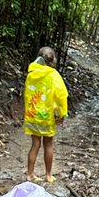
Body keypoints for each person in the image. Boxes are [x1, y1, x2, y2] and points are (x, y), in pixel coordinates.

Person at [23, 46, 68, 183]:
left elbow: (27, 94)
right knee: (48, 144)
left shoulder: (31, 74)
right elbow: (61, 95)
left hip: (33, 114)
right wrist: (61, 113)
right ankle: (48, 175)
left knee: (35, 144)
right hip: (47, 115)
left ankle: (30, 174)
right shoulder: (54, 75)